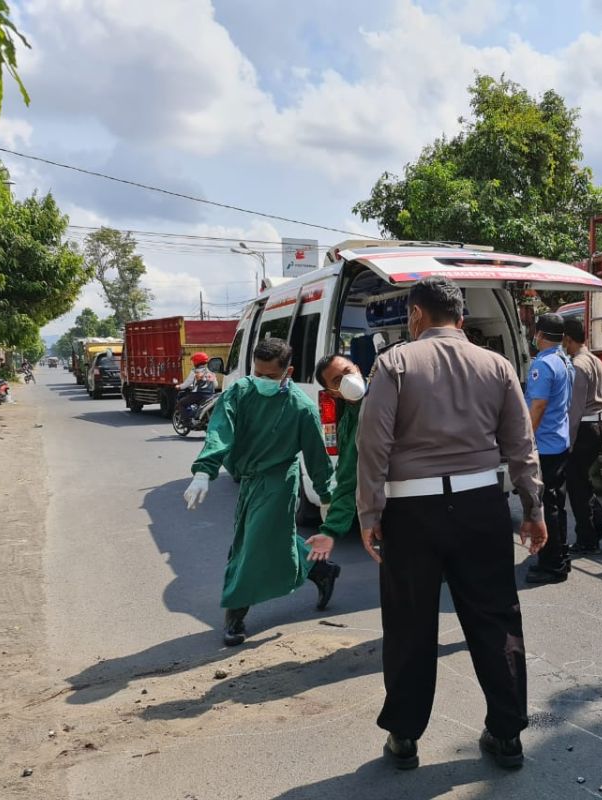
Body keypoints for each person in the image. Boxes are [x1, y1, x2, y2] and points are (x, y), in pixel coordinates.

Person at [356, 276, 547, 771]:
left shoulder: (394, 362)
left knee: (409, 624)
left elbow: (373, 445)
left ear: (416, 315)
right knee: (495, 617)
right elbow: (521, 447)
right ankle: (506, 736)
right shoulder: (497, 365)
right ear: (460, 317)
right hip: (483, 506)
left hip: (410, 513)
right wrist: (533, 509)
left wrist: (369, 512)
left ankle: (404, 737)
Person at [183, 337, 343, 646]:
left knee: (250, 548)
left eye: (270, 376)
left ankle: (235, 614)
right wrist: (205, 470)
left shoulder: (301, 407)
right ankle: (319, 568)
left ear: (288, 371)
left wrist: (327, 497)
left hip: (280, 481)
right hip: (250, 480)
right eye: (258, 373)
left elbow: (316, 457)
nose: (262, 381)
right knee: (264, 539)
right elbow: (220, 428)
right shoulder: (241, 392)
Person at [523, 313, 574, 585]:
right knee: (557, 505)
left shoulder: (542, 365)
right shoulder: (565, 361)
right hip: (559, 442)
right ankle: (560, 557)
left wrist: (524, 440)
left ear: (540, 334)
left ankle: (552, 565)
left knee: (547, 507)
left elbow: (538, 406)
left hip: (545, 445)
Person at [563, 317, 602, 556]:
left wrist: (569, 441)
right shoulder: (597, 361)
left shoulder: (577, 365)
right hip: (598, 425)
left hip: (583, 429)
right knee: (581, 480)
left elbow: (574, 409)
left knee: (576, 484)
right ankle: (599, 525)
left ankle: (588, 538)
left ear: (568, 339)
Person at [314, 354, 367, 539]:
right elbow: (348, 469)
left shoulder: (379, 404)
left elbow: (349, 478)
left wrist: (331, 529)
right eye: (337, 380)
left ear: (358, 369)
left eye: (348, 372)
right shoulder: (348, 414)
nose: (347, 380)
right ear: (331, 392)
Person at [176, 352, 217, 427]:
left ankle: (186, 422)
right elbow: (215, 384)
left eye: (193, 361)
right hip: (211, 395)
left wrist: (180, 387)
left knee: (181, 403)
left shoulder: (195, 371)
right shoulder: (211, 371)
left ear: (196, 362)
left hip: (198, 394)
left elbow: (187, 383)